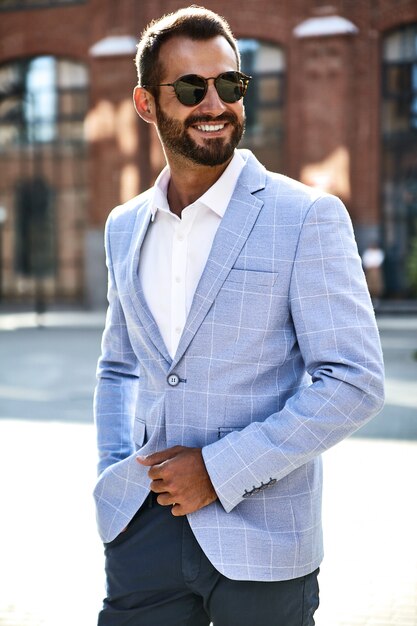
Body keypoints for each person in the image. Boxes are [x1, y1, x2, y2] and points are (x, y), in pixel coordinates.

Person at [93, 6, 385, 626]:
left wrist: (218, 471)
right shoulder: (124, 227)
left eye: (229, 85)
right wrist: (114, 474)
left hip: (265, 541)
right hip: (141, 535)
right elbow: (119, 367)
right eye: (191, 88)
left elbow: (353, 382)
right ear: (147, 105)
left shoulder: (306, 216)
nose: (214, 103)